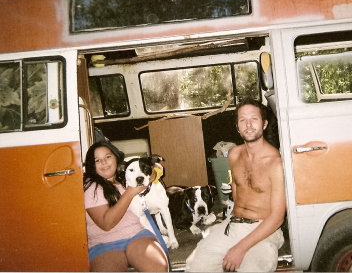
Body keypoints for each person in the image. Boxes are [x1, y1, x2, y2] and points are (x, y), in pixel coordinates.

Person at [186, 98, 286, 272]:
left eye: (254, 119)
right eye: (242, 120)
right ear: (237, 127)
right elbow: (235, 191)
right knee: (195, 266)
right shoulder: (234, 154)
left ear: (264, 124)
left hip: (264, 230)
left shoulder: (275, 163)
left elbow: (277, 217)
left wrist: (240, 248)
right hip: (233, 225)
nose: (248, 125)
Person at [83, 141, 168, 272]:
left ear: (116, 157)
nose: (104, 162)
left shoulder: (126, 176)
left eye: (108, 157)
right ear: (92, 165)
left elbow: (153, 167)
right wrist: (130, 192)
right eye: (97, 160)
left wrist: (155, 171)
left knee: (158, 267)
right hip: (104, 244)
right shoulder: (92, 187)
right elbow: (106, 224)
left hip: (136, 234)